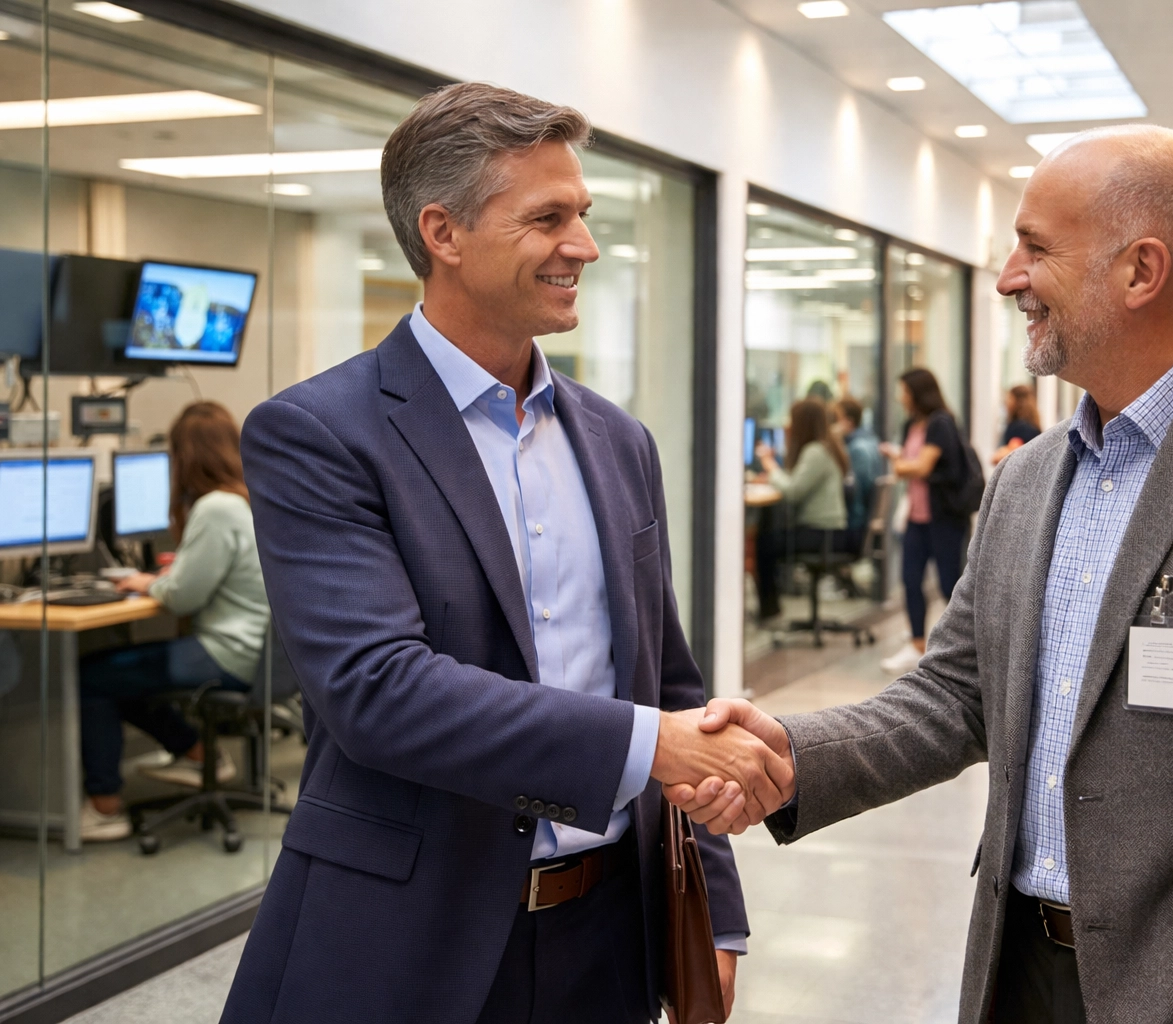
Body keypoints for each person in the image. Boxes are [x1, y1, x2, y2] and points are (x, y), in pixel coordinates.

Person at [668, 125, 1173, 1024]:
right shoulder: (1027, 479)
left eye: (1035, 248)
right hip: (1017, 971)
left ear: (1140, 271)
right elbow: (956, 695)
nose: (1008, 277)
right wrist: (785, 752)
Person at [222, 83, 790, 1024]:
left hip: (611, 934)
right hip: (406, 941)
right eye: (548, 217)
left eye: (585, 214)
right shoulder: (319, 434)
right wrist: (652, 746)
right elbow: (379, 690)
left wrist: (716, 915)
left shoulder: (618, 441)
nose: (586, 245)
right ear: (443, 234)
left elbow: (671, 687)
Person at [76, 401, 269, 842]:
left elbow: (183, 597)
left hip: (227, 654)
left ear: (186, 456)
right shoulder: (245, 498)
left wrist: (146, 583)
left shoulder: (216, 508)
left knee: (93, 677)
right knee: (123, 676)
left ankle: (105, 806)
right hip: (256, 653)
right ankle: (198, 752)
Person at [877, 367, 970, 675]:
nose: (899, 396)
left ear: (917, 392)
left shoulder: (940, 422)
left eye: (902, 390)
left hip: (943, 518)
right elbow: (910, 465)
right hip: (917, 518)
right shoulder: (910, 425)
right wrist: (905, 464)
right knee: (911, 580)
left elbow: (920, 466)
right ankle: (917, 644)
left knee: (949, 584)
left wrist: (901, 463)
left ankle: (962, 646)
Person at [753, 397, 849, 621]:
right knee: (769, 537)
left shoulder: (816, 451)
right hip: (828, 531)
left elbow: (793, 491)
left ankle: (769, 609)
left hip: (821, 534)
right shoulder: (825, 447)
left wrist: (770, 466)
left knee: (764, 544)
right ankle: (770, 607)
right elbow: (797, 482)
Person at [831, 396, 881, 548]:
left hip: (855, 526)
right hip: (862, 522)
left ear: (848, 422)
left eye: (836, 419)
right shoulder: (872, 440)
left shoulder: (857, 449)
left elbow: (856, 490)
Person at [991, 383, 1041, 465]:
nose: (1006, 402)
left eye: (1009, 398)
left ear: (1017, 401)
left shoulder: (1020, 428)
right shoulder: (1032, 425)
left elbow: (1011, 452)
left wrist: (999, 453)